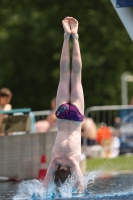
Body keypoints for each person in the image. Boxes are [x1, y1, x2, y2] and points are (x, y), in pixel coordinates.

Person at [43, 16, 85, 193]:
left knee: (76, 75)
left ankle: (75, 37)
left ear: (68, 174)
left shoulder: (73, 162)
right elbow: (44, 186)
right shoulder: (54, 161)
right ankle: (66, 36)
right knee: (64, 75)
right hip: (61, 115)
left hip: (75, 117)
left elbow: (81, 187)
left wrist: (79, 191)